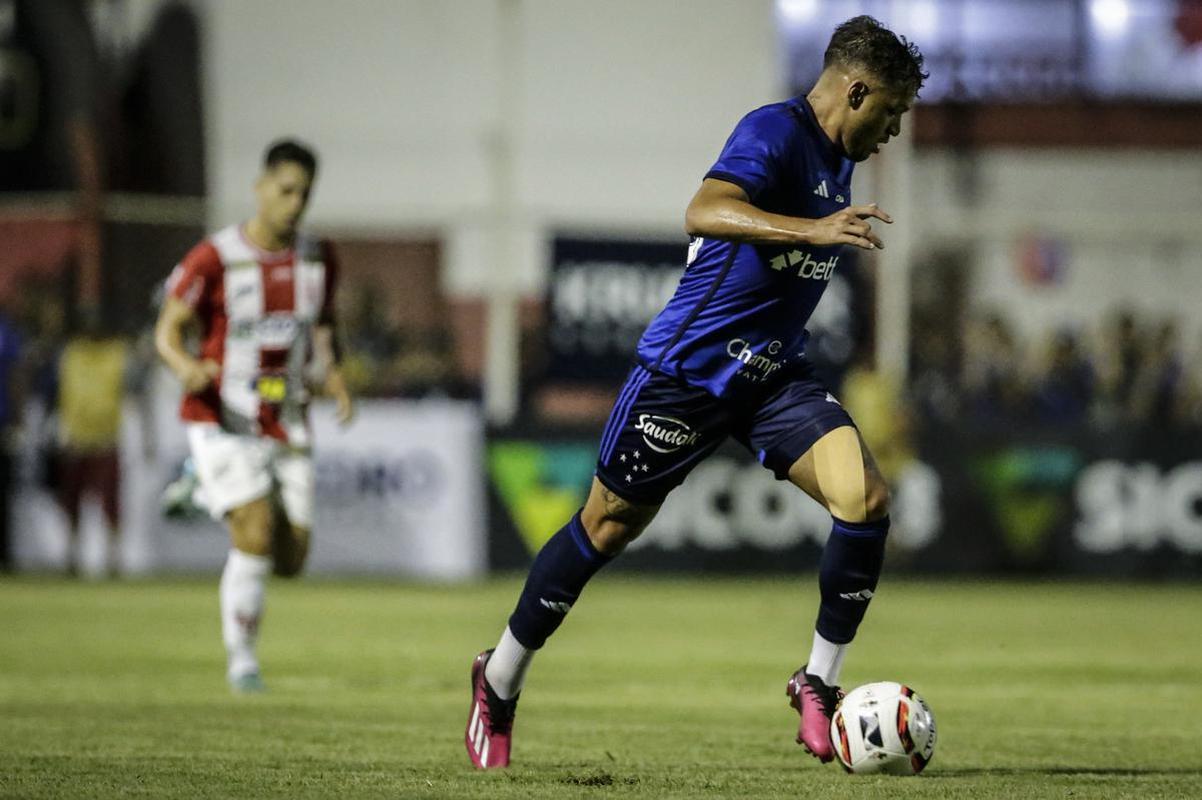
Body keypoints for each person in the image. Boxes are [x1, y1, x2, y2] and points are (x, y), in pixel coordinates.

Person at [465, 15, 926, 769]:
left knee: (867, 500)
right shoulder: (776, 131)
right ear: (857, 89)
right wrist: (811, 233)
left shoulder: (839, 161)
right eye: (893, 113)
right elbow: (703, 210)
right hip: (689, 373)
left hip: (773, 376)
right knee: (606, 527)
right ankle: (502, 674)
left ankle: (818, 683)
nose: (895, 131)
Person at [154, 139, 353, 693]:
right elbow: (167, 329)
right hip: (222, 413)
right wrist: (183, 364)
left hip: (285, 417)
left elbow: (322, 329)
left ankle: (198, 487)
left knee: (291, 559)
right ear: (260, 187)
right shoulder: (214, 258)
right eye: (286, 190)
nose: (295, 203)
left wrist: (333, 376)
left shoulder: (320, 258)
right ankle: (242, 662)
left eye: (305, 194)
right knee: (255, 531)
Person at [53, 309, 129, 577]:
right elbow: (62, 395)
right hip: (77, 439)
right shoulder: (72, 354)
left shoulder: (116, 354)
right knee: (72, 504)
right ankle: (70, 557)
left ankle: (113, 559)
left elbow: (130, 391)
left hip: (107, 438)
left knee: (111, 506)